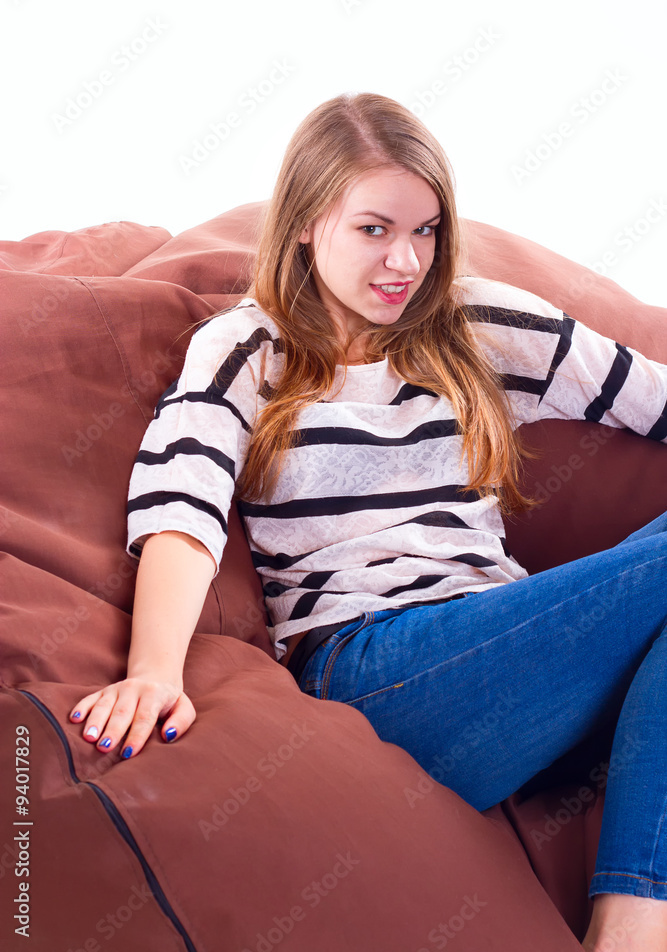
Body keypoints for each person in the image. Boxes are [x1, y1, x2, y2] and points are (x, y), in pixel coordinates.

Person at [70, 92, 667, 951]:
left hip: (523, 663)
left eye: (426, 231)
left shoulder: (474, 324)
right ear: (309, 222)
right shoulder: (250, 347)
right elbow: (182, 505)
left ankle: (631, 927)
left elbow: (651, 397)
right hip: (378, 668)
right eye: (374, 230)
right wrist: (155, 671)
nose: (406, 261)